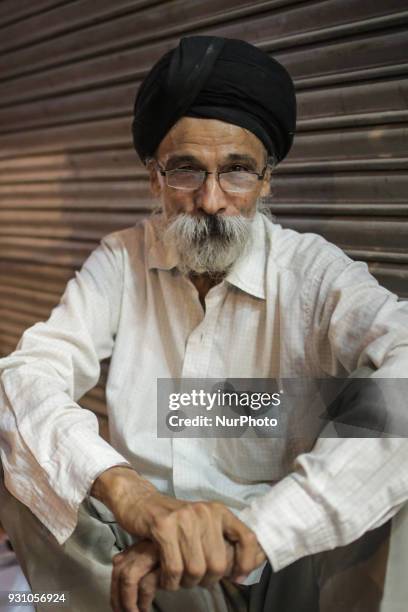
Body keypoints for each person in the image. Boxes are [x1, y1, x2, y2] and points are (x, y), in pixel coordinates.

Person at [0, 35, 408, 612]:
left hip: (266, 568)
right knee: (16, 434)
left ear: (267, 180)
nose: (212, 201)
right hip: (137, 550)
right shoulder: (123, 259)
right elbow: (26, 375)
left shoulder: (311, 273)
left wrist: (264, 530)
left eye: (237, 172)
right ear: (155, 178)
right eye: (187, 171)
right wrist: (129, 493)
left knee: (389, 428)